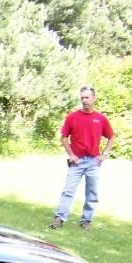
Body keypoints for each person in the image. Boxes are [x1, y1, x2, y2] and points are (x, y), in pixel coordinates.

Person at [50, 86, 113, 230]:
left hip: (93, 162)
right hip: (76, 161)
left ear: (93, 98)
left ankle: (86, 221)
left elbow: (111, 136)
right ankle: (59, 219)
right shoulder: (72, 117)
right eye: (82, 97)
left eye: (87, 97)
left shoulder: (101, 119)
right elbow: (64, 137)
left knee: (92, 193)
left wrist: (105, 154)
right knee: (68, 191)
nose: (84, 100)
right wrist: (71, 154)